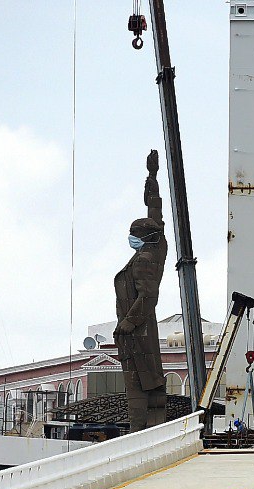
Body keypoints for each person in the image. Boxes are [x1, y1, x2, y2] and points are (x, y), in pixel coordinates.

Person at [114, 150, 168, 431]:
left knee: (139, 385)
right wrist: (152, 177)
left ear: (143, 238)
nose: (131, 238)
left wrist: (127, 324)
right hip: (143, 331)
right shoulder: (156, 246)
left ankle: (140, 431)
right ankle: (152, 428)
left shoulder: (145, 261)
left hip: (138, 335)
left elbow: (148, 296)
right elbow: (156, 215)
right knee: (152, 381)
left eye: (134, 234)